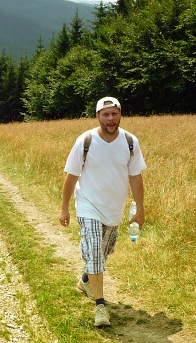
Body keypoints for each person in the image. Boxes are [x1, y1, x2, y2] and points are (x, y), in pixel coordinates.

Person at [58, 96, 146, 327]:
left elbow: (136, 177)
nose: (110, 119)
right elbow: (71, 176)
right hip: (88, 204)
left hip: (114, 208)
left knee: (103, 252)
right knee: (95, 249)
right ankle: (100, 306)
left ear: (120, 115)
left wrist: (140, 209)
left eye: (114, 114)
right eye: (105, 115)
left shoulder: (130, 142)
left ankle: (86, 279)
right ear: (97, 116)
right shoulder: (85, 141)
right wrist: (64, 208)